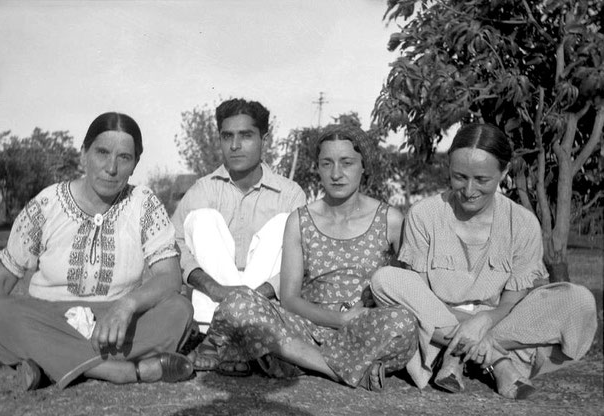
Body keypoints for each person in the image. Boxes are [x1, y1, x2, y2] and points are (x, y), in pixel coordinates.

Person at [0, 112, 194, 391]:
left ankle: (50, 363)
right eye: (102, 152)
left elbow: (169, 278)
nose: (111, 167)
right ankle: (120, 372)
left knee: (179, 310)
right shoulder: (47, 205)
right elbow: (2, 280)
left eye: (124, 157)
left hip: (113, 327)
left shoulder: (144, 204)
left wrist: (127, 306)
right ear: (83, 154)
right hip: (49, 318)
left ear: (135, 164)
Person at [370, 123, 597, 399]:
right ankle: (498, 361)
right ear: (449, 169)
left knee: (579, 300)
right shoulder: (424, 215)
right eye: (459, 177)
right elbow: (421, 295)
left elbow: (513, 300)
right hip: (440, 320)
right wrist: (467, 323)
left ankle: (457, 355)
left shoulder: (523, 223)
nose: (468, 190)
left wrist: (486, 319)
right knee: (386, 279)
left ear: (504, 171)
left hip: (495, 323)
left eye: (482, 180)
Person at [192, 124, 418, 390]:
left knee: (403, 323)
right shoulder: (300, 220)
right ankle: (336, 369)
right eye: (327, 163)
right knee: (238, 302)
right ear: (318, 167)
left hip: (363, 329)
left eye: (347, 163)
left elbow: (407, 288)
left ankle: (289, 358)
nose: (336, 174)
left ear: (364, 165)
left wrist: (356, 318)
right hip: (304, 326)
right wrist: (338, 320)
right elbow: (289, 298)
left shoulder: (390, 219)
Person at [171, 98, 306, 372]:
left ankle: (225, 344)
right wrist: (213, 287)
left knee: (286, 224)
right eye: (227, 136)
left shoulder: (290, 194)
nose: (235, 145)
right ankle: (244, 345)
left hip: (266, 303)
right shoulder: (203, 190)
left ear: (263, 139)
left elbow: (304, 260)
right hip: (214, 301)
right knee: (202, 218)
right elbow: (174, 246)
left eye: (245, 136)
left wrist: (255, 297)